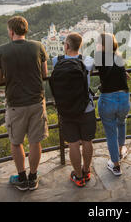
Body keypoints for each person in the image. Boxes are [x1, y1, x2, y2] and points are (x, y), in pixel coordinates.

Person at [0, 16, 49, 191]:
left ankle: (22, 177)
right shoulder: (38, 46)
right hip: (36, 101)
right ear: (26, 30)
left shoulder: (1, 50)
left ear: (11, 31)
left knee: (16, 142)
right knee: (35, 141)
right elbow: (45, 73)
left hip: (15, 103)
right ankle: (33, 177)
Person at [52, 32, 96, 187]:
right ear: (80, 46)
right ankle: (86, 170)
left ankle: (78, 176)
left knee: (73, 143)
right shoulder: (88, 61)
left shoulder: (56, 61)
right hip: (86, 107)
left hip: (66, 109)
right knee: (87, 141)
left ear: (66, 46)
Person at [95, 33, 131, 176]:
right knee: (121, 123)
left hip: (108, 99)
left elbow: (94, 66)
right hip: (123, 97)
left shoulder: (99, 57)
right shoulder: (119, 57)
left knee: (110, 133)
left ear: (102, 45)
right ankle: (121, 151)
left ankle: (116, 165)